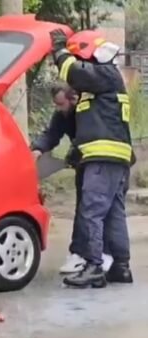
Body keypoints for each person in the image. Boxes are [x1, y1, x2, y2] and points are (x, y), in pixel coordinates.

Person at [50, 29, 134, 288]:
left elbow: (74, 72)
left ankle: (94, 266)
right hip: (113, 158)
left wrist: (59, 50)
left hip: (103, 158)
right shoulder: (102, 84)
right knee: (113, 213)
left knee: (91, 211)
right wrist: (77, 150)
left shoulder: (104, 74)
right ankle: (120, 267)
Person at [30, 82, 114, 274]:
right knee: (84, 209)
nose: (59, 108)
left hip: (102, 161)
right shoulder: (62, 115)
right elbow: (52, 134)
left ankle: (103, 254)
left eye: (61, 104)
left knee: (99, 209)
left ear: (73, 99)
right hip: (84, 162)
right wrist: (38, 149)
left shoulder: (88, 110)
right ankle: (80, 253)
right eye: (56, 104)